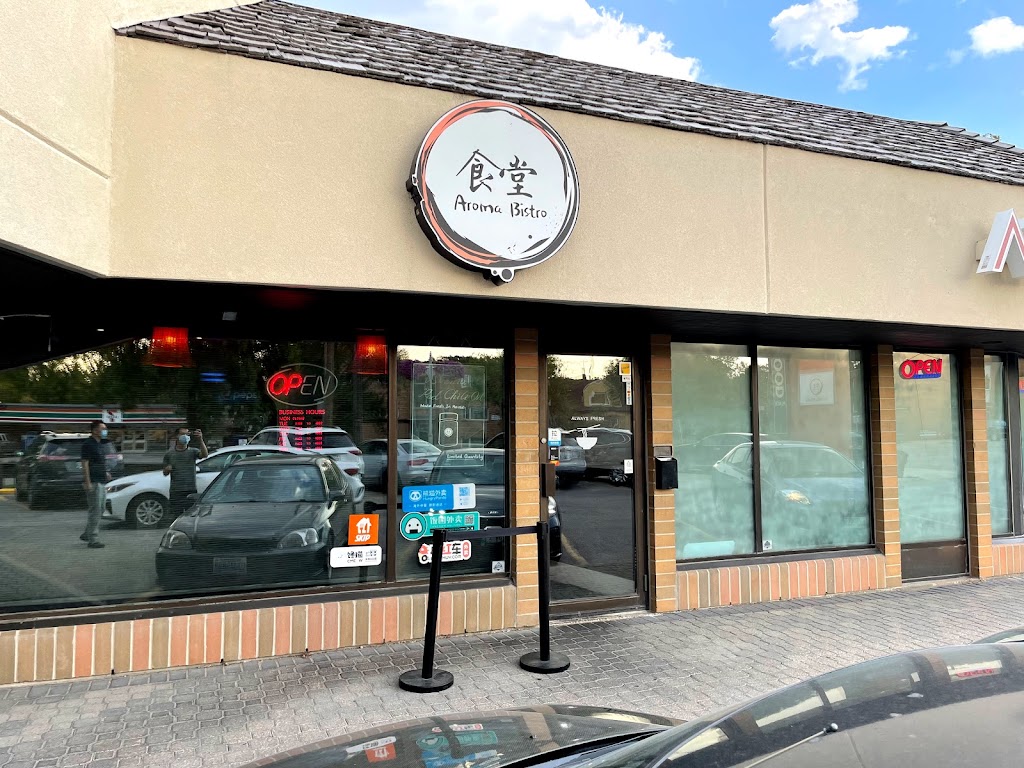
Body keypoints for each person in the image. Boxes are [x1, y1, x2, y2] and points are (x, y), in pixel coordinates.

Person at [163, 427, 209, 519]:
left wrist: (200, 440)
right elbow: (165, 473)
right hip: (176, 491)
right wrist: (167, 470)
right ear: (177, 436)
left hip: (190, 489)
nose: (185, 436)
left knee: (191, 516)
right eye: (182, 434)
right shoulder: (169, 454)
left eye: (187, 434)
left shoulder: (193, 451)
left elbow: (205, 455)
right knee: (176, 516)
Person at [80, 420, 111, 548]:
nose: (105, 431)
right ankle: (93, 539)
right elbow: (85, 463)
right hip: (94, 481)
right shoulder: (88, 444)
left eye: (105, 429)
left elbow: (100, 462)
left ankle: (87, 533)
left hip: (101, 480)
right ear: (94, 430)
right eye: (102, 429)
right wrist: (88, 482)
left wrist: (106, 473)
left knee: (101, 508)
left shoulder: (100, 444)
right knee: (96, 510)